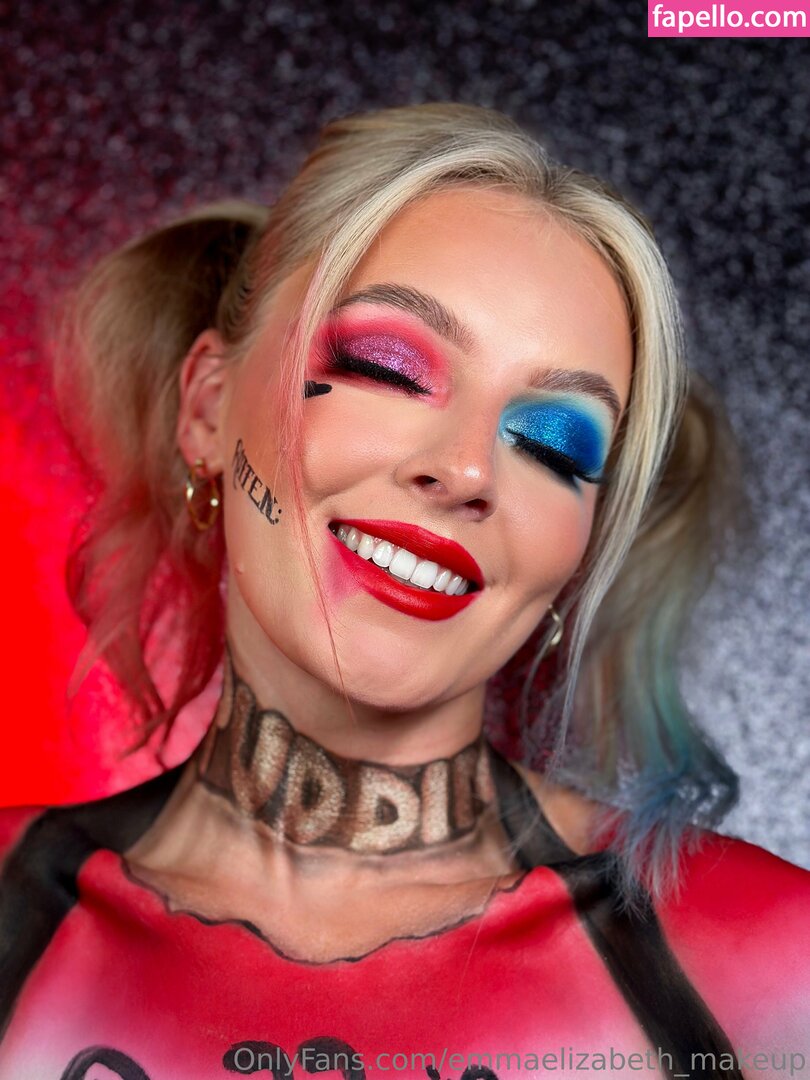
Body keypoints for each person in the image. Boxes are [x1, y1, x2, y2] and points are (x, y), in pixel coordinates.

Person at [0, 103, 807, 1080]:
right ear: (208, 409)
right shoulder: (17, 915)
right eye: (387, 368)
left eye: (555, 444)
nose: (467, 470)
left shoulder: (766, 963)